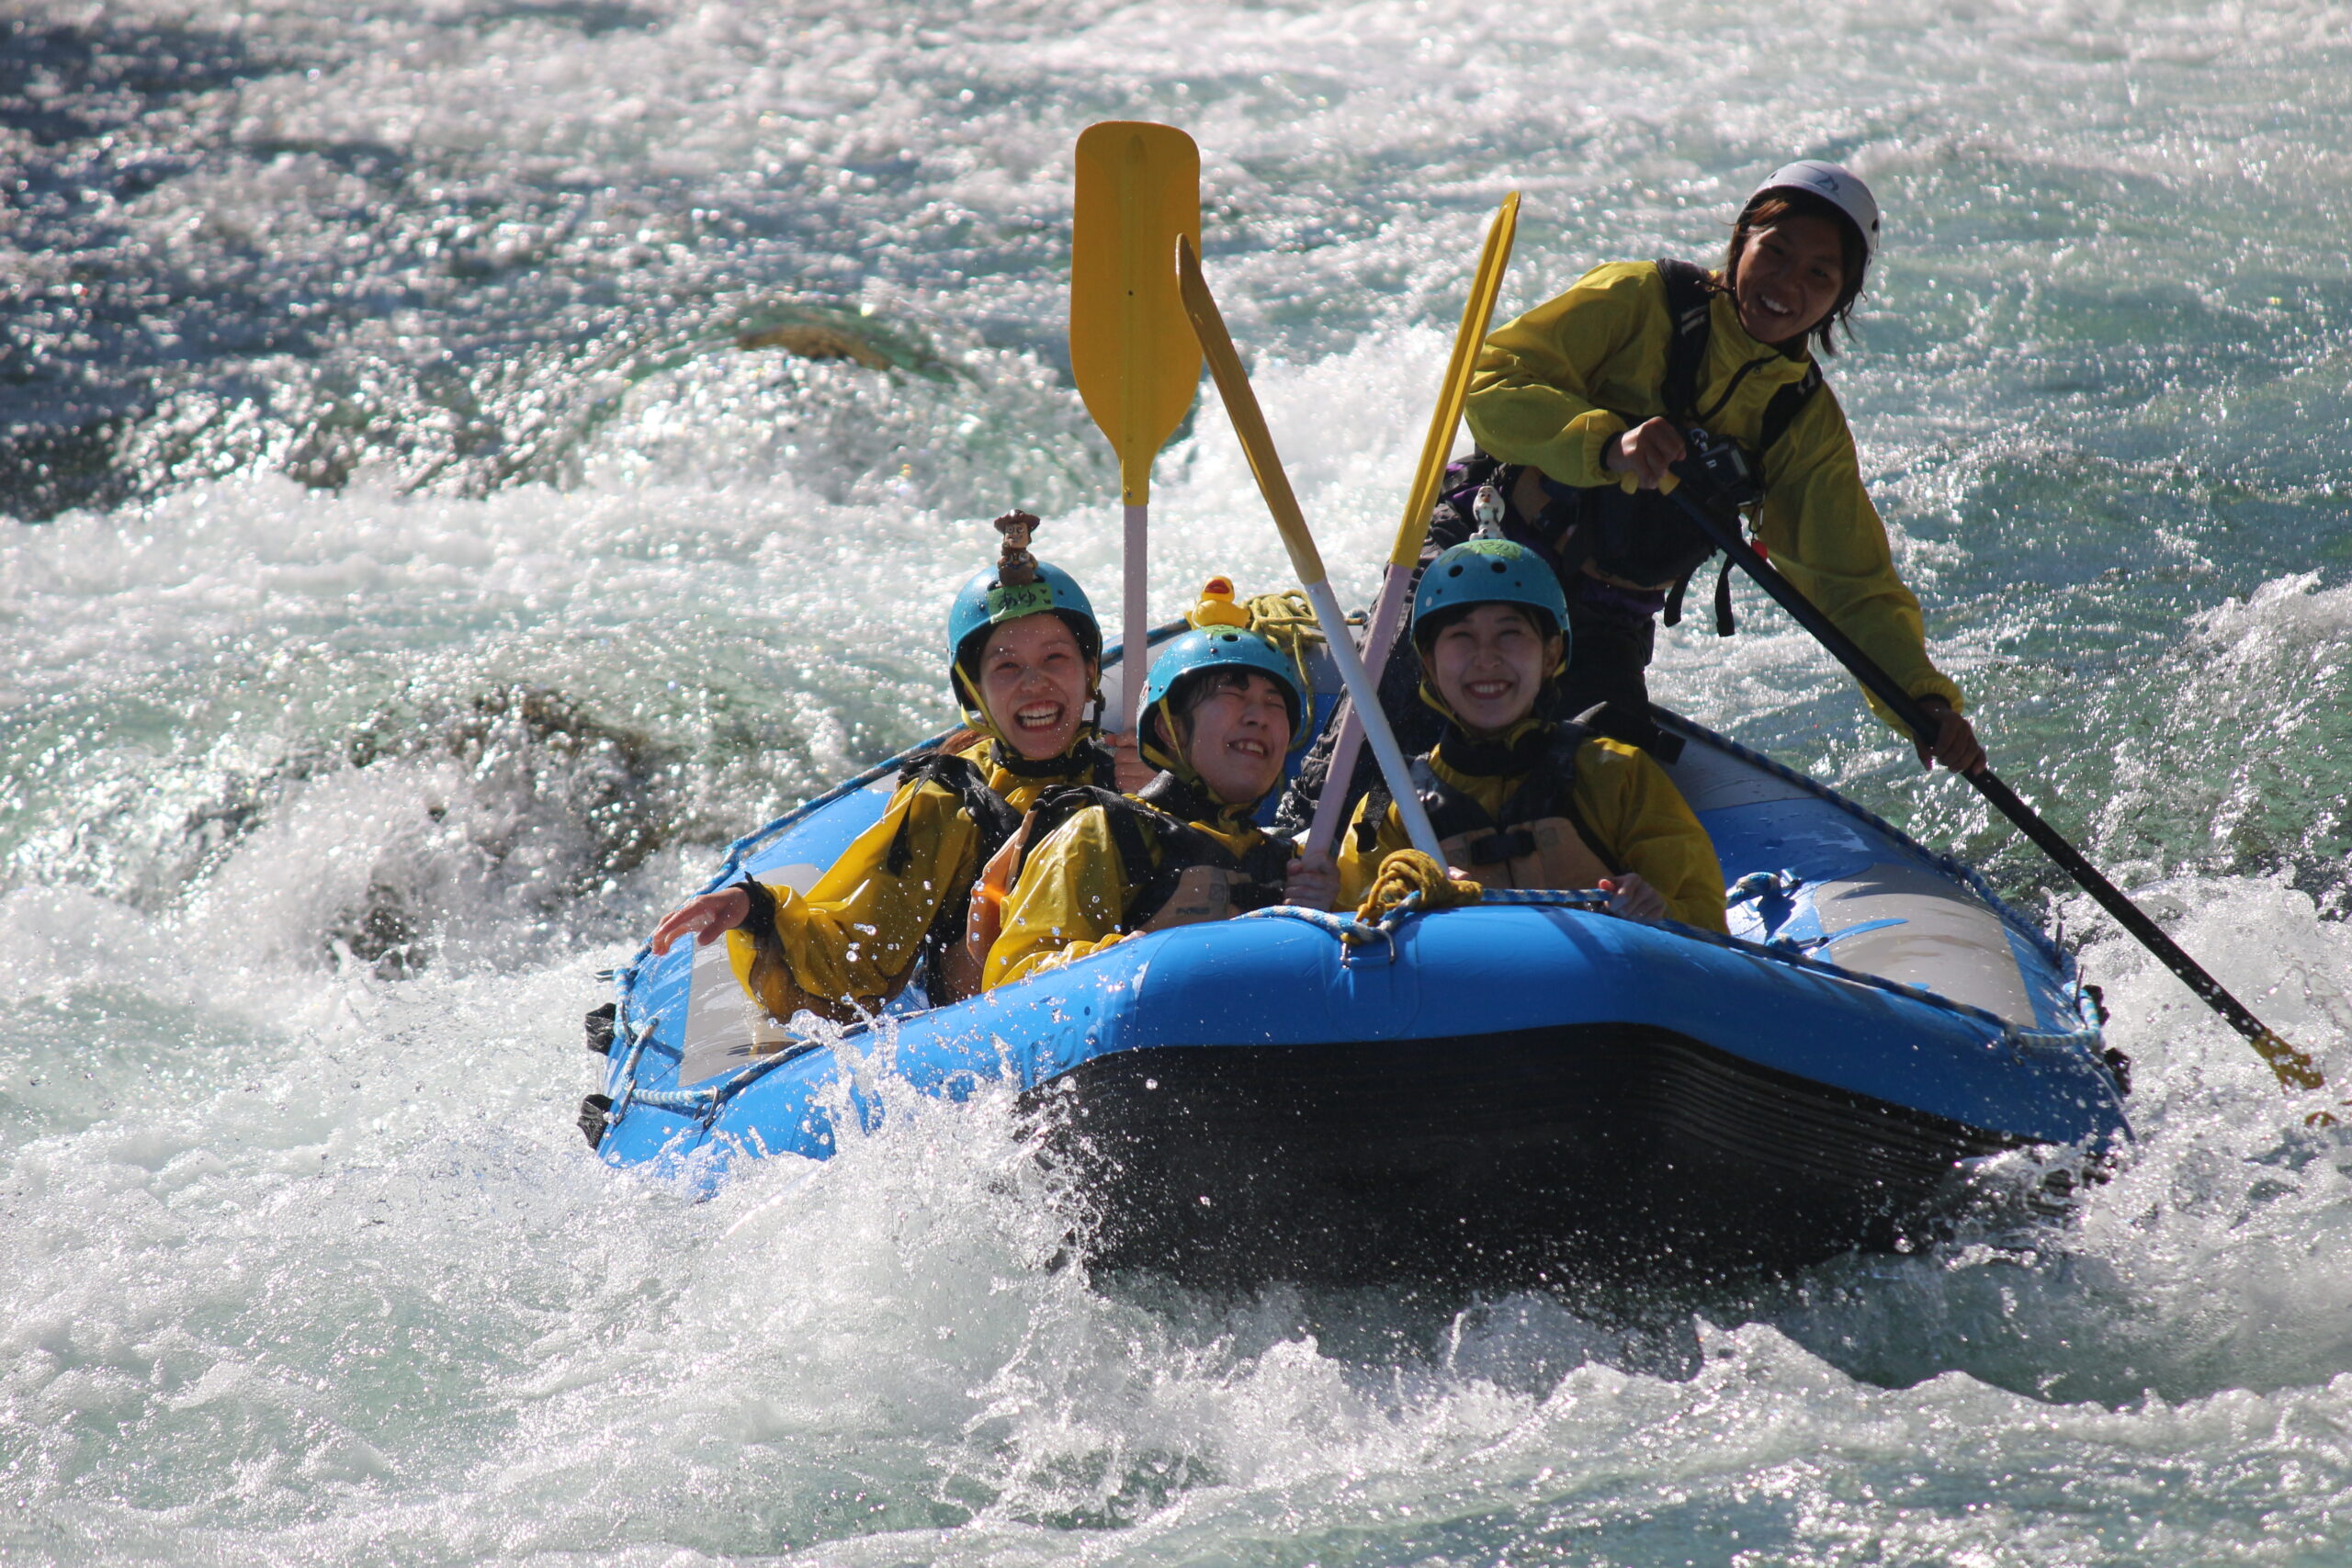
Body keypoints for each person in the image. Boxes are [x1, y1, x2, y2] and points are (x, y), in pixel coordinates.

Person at [1455, 158, 1983, 773]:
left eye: (1820, 273)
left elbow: (1851, 587)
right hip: (1485, 559)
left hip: (1602, 621)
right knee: (1397, 727)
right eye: (1776, 252)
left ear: (1843, 296)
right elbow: (1488, 380)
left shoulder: (1802, 423)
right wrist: (1607, 443)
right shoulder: (1638, 299)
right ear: (1740, 242)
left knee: (1595, 787)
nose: (1788, 283)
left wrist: (1920, 702)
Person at [648, 512, 1141, 1020]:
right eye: (1007, 667)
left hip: (1143, 1010)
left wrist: (1168, 799)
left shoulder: (1142, 774)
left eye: (1055, 658)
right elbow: (852, 959)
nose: (1034, 683)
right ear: (973, 691)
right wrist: (757, 909)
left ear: (1089, 672)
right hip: (1008, 1041)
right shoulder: (951, 801)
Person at [1339, 536, 1727, 932]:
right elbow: (1352, 921)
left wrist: (1659, 910)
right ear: (1429, 663)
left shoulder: (1619, 773)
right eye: (1461, 636)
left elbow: (1707, 921)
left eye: (1510, 634)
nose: (1486, 658)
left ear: (1551, 655)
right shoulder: (1387, 805)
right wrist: (1403, 901)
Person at [980, 607, 1339, 990]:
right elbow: (1013, 986)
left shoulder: (1291, 865)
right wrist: (1149, 942)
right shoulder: (1097, 833)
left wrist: (1324, 918)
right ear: (1168, 730)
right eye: (1232, 694)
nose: (1260, 717)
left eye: (1275, 704)